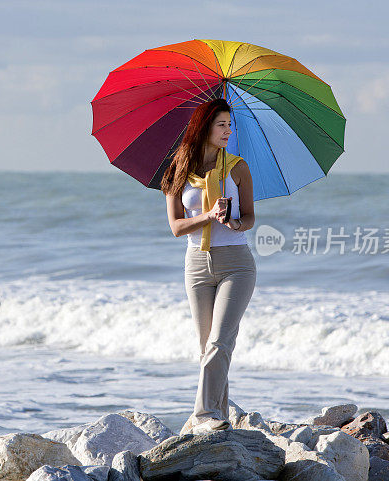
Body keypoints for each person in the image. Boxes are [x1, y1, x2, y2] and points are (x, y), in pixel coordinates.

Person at [160, 98, 257, 434]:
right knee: (207, 348)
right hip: (197, 264)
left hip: (237, 265)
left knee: (220, 342)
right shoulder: (176, 170)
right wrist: (206, 216)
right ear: (204, 127)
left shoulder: (238, 167)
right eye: (222, 125)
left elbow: (250, 218)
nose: (228, 131)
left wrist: (234, 223)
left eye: (230, 125)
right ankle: (221, 419)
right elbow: (175, 227)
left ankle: (202, 416)